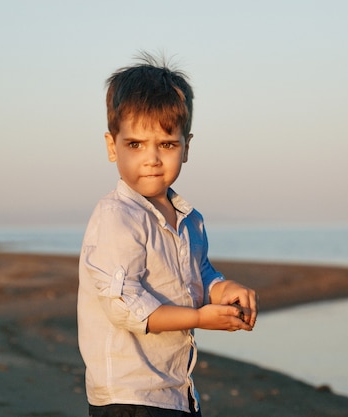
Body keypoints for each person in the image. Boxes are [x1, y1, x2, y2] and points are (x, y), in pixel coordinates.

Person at [77, 52, 258, 417]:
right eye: (135, 145)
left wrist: (223, 290)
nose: (152, 159)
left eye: (167, 144)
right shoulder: (117, 216)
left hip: (174, 390)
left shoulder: (189, 220)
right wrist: (199, 318)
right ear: (112, 147)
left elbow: (199, 274)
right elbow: (126, 307)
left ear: (186, 146)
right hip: (128, 396)